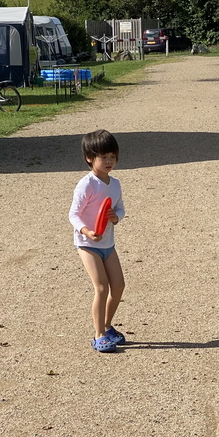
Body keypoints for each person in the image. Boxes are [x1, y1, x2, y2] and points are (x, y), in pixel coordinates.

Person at [69, 129, 126, 353]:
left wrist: (116, 216)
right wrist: (86, 230)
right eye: (104, 157)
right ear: (89, 158)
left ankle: (107, 326)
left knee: (119, 286)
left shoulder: (115, 183)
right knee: (101, 287)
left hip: (107, 244)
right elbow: (73, 214)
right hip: (87, 243)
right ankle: (98, 335)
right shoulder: (87, 184)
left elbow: (120, 208)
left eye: (112, 156)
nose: (109, 161)